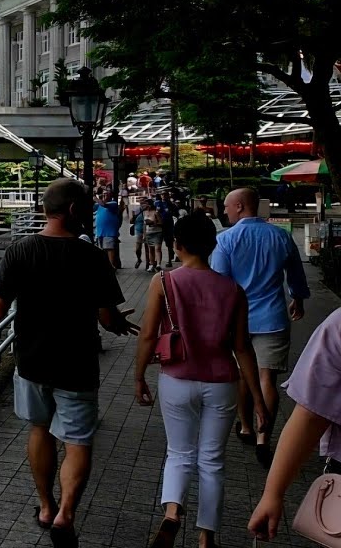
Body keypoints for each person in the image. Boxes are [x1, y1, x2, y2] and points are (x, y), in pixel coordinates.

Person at [0, 178, 136, 548]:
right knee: (77, 442)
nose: (90, 214)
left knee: (39, 430)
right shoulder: (91, 256)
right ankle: (66, 514)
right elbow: (107, 317)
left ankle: (45, 507)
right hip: (77, 362)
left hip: (31, 360)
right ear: (73, 210)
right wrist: (121, 323)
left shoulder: (19, 251)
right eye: (87, 208)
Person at [134, 215, 269, 548]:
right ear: (213, 246)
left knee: (179, 452)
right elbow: (242, 347)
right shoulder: (233, 290)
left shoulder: (163, 282)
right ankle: (206, 537)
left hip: (177, 379)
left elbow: (149, 334)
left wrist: (139, 376)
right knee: (212, 460)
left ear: (176, 245)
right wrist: (258, 401)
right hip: (222, 382)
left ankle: (171, 514)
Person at [211, 187, 310, 467]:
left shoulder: (226, 239)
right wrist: (298, 299)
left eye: (228, 206)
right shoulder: (280, 235)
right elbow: (296, 274)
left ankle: (244, 426)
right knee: (267, 378)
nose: (225, 211)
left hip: (237, 319)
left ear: (240, 206)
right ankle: (264, 439)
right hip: (272, 316)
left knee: (244, 374)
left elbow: (220, 283)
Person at [248, 307, 341, 541]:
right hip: (269, 322)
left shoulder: (338, 326)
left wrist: (273, 493)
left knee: (258, 374)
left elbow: (310, 416)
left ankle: (254, 432)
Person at [94, 190, 123, 268]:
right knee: (102, 250)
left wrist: (94, 197)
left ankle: (111, 266)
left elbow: (104, 204)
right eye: (103, 194)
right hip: (100, 232)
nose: (104, 195)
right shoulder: (99, 205)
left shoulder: (113, 203)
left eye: (106, 194)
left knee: (109, 249)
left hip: (109, 232)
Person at [143, 199, 164, 272]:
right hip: (149, 233)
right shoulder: (145, 213)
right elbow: (144, 225)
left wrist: (153, 223)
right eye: (145, 204)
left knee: (157, 248)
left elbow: (161, 223)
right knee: (150, 249)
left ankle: (158, 264)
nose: (146, 206)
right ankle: (151, 264)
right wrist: (144, 235)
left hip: (157, 232)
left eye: (148, 204)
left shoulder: (156, 212)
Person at [130, 194, 150, 270]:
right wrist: (133, 217)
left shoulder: (149, 209)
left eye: (144, 200)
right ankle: (139, 259)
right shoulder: (136, 209)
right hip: (138, 230)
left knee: (147, 247)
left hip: (147, 230)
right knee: (138, 248)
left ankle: (148, 263)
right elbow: (131, 221)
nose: (142, 202)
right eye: (141, 200)